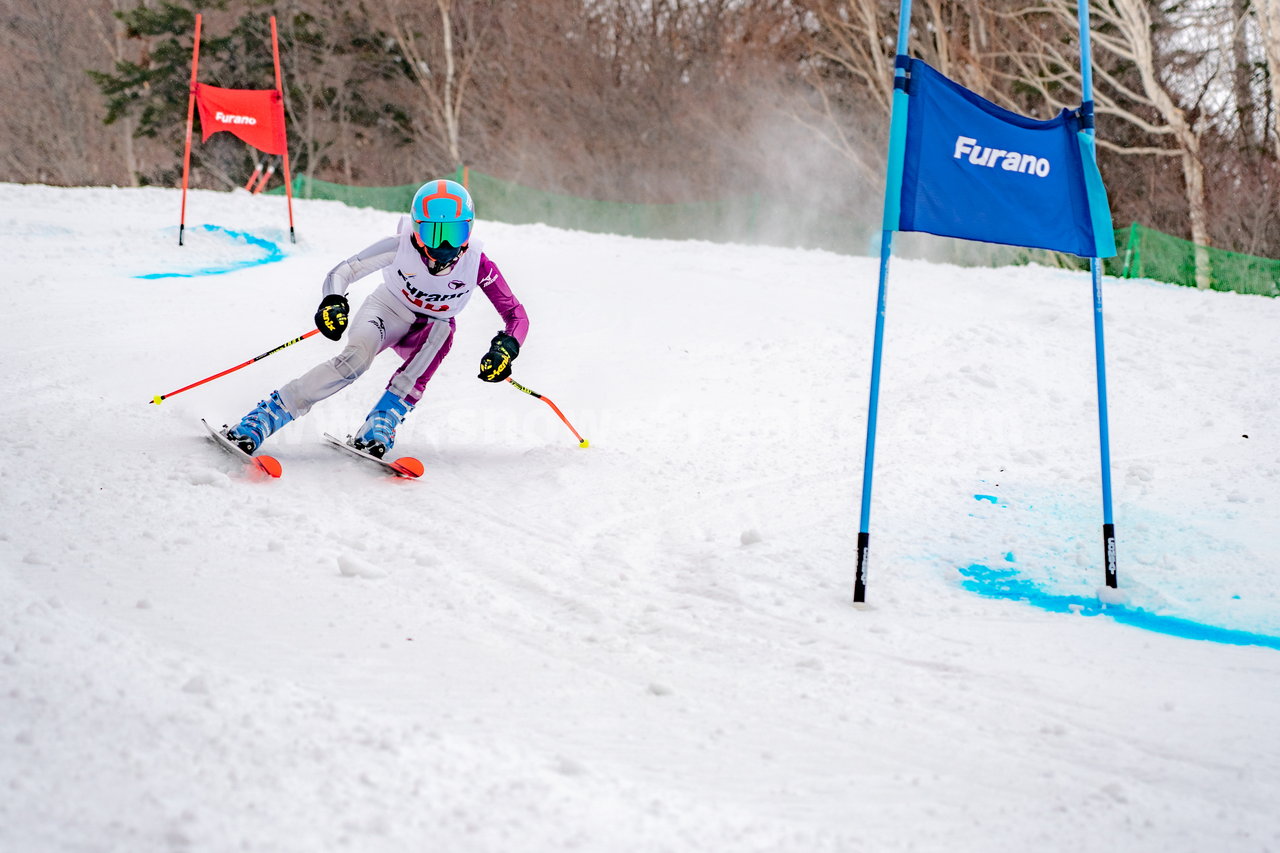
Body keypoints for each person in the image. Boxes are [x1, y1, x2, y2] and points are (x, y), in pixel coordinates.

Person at [223, 178, 528, 458]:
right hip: (388, 310)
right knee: (353, 361)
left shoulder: (477, 264)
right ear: (417, 229)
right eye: (433, 233)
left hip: (432, 328)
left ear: (469, 230)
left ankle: (382, 420)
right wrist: (332, 301)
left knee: (441, 332)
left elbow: (516, 314)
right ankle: (267, 415)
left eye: (454, 233)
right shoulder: (400, 246)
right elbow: (344, 271)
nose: (444, 246)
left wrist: (505, 349)